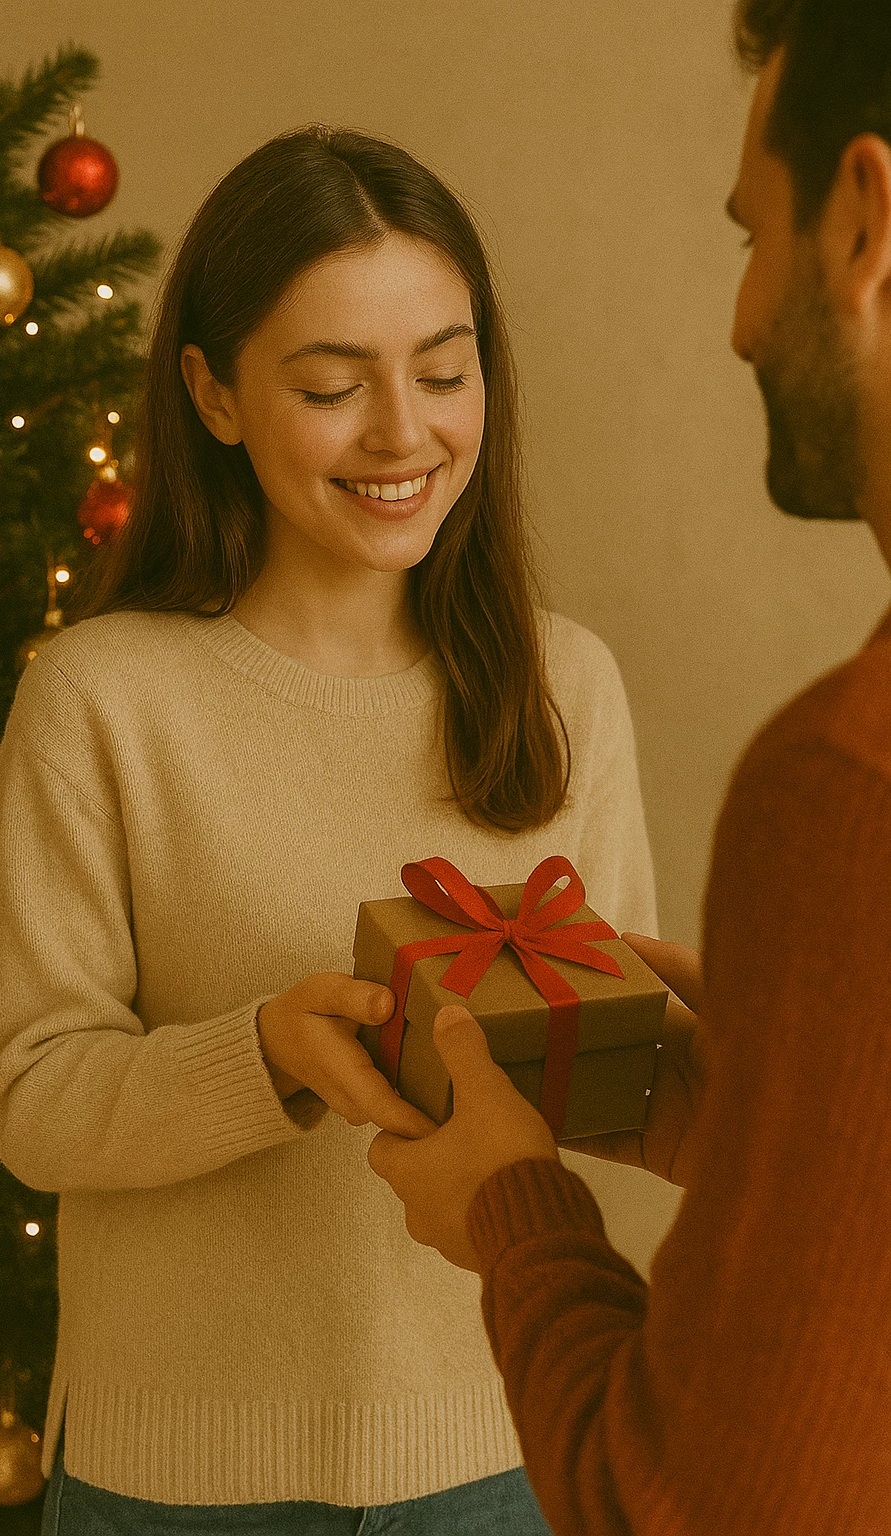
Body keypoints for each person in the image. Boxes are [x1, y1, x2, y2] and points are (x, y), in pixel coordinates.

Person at [0, 124, 663, 1534]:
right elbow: (32, 1097)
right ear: (215, 396)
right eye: (332, 386)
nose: (404, 433)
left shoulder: (563, 686)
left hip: (499, 1453)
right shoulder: (100, 700)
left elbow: (621, 1089)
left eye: (444, 370)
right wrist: (266, 1058)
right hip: (175, 1480)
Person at [369, 1, 891, 1531]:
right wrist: (781, 1127)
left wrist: (515, 1214)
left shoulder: (844, 784)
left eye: (756, 236)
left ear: (866, 215)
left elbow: (688, 1503)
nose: (737, 316)